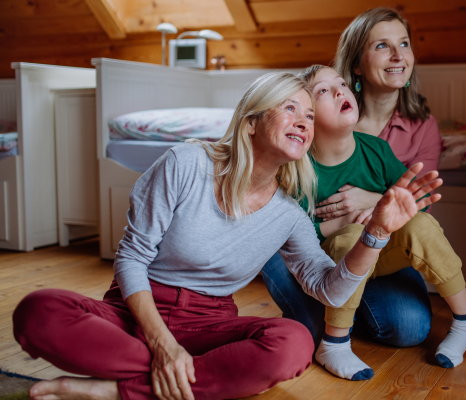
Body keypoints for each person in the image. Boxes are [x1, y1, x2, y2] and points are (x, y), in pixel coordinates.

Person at [12, 72, 433, 400]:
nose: (304, 123)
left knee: (294, 343)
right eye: (290, 109)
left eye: (309, 116)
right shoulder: (185, 163)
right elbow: (131, 259)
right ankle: (198, 376)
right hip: (136, 310)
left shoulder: (289, 212)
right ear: (251, 122)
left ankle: (117, 390)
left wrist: (375, 232)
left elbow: (332, 291)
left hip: (208, 323)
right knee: (38, 310)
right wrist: (162, 345)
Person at [302, 65, 466, 382]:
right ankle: (334, 343)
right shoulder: (301, 167)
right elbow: (297, 236)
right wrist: (349, 221)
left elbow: (412, 209)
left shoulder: (377, 150)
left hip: (385, 252)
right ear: (307, 115)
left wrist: (381, 210)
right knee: (351, 235)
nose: (340, 90)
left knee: (421, 226)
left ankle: (465, 320)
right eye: (324, 91)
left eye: (341, 83)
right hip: (336, 263)